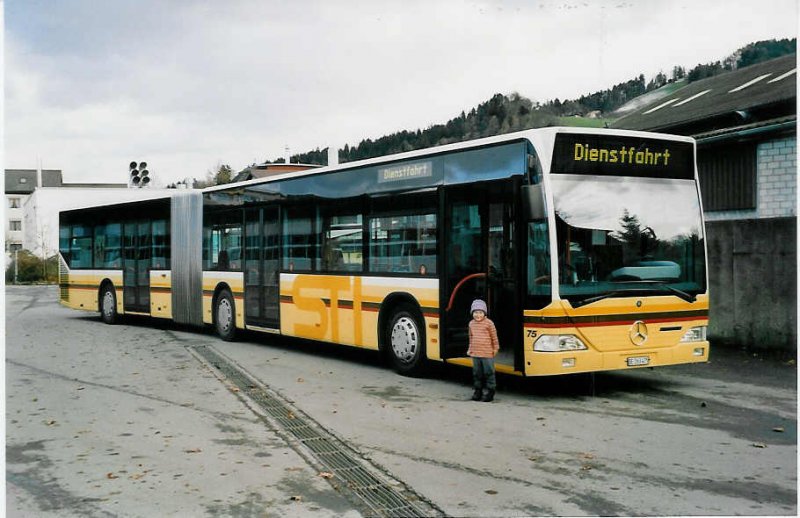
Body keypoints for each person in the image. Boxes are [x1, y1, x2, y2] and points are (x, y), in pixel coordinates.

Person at [467, 299, 499, 402]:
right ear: (472, 313)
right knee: (477, 373)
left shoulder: (489, 323)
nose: (478, 315)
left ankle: (490, 391)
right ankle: (478, 391)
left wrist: (495, 348)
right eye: (475, 312)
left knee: (489, 372)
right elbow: (471, 338)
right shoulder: (471, 324)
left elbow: (494, 337)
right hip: (476, 353)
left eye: (480, 312)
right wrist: (470, 349)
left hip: (487, 353)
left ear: (484, 313)